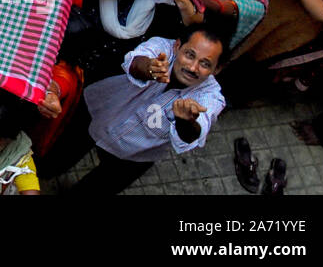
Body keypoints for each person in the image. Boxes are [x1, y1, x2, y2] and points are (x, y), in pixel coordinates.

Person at [72, 26, 228, 194]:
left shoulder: (211, 96)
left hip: (136, 154)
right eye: (190, 55)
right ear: (177, 46)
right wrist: (147, 68)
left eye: (205, 64)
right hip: (98, 115)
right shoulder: (162, 48)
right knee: (56, 161)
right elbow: (135, 61)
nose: (192, 68)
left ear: (217, 69)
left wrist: (187, 121)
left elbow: (195, 131)